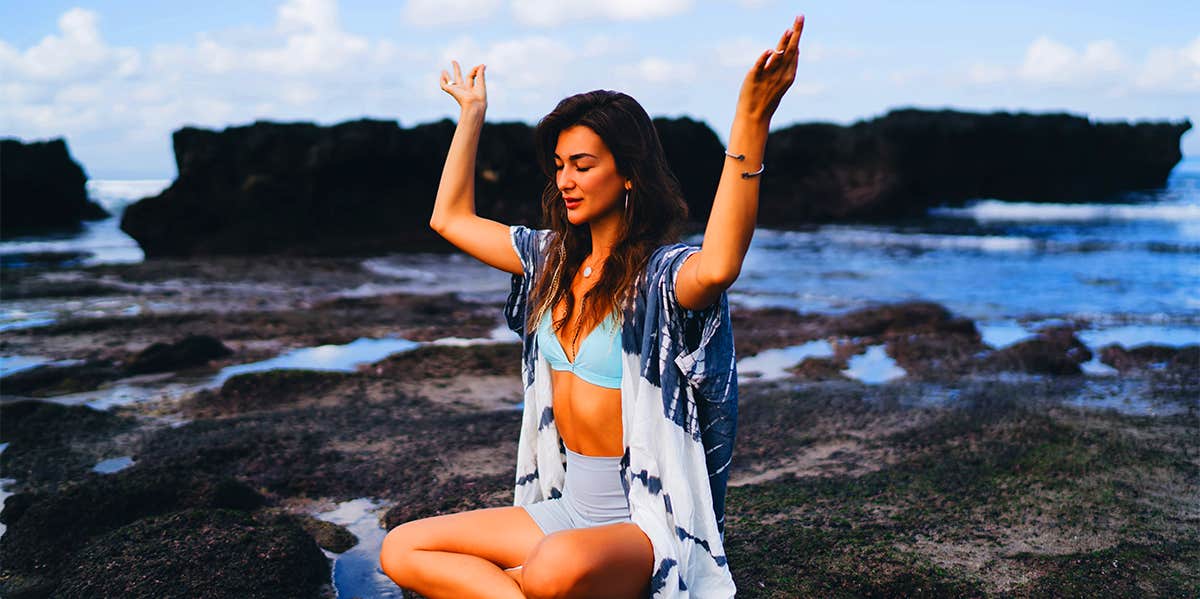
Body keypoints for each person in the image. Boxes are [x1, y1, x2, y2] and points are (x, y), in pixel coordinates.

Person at [380, 14, 804, 599]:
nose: (566, 182)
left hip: (642, 523)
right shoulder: (548, 260)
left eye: (582, 165)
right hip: (566, 509)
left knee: (554, 569)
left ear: (628, 174)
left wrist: (752, 120)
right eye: (559, 167)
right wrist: (471, 115)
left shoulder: (659, 277)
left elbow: (720, 265)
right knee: (403, 545)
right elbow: (448, 218)